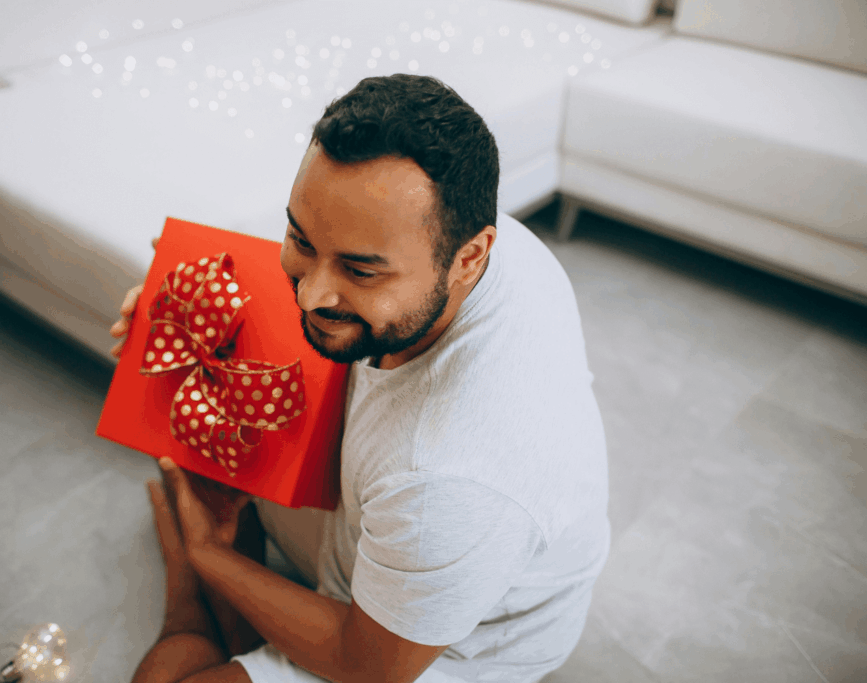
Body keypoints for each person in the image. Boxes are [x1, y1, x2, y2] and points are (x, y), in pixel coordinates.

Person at [111, 74, 609, 683]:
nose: (312, 294)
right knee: (184, 409)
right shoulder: (474, 242)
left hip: (430, 651)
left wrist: (209, 554)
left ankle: (195, 606)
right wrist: (183, 325)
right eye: (299, 237)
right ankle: (216, 601)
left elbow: (366, 665)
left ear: (470, 256)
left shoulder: (449, 478)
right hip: (389, 531)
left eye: (360, 271)